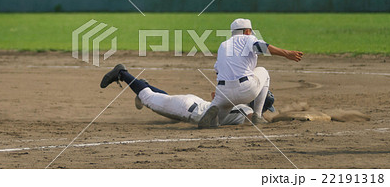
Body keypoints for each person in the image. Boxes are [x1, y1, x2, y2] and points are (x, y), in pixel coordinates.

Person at [198, 18, 303, 129]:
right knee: (263, 71)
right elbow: (260, 47)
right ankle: (257, 115)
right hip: (246, 90)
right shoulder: (248, 39)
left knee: (220, 119)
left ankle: (214, 118)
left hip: (223, 93)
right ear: (247, 31)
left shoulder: (223, 45)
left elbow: (218, 70)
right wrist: (287, 53)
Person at [100, 64, 275, 126]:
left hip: (195, 104)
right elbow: (255, 120)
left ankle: (143, 86)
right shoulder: (246, 111)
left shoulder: (236, 98)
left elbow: (215, 93)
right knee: (149, 99)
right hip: (190, 109)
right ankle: (122, 73)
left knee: (166, 100)